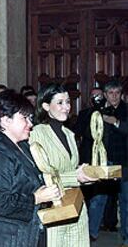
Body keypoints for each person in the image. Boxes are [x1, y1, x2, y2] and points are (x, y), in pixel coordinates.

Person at [0, 90, 61, 247]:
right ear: (5, 120)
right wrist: (36, 198)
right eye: (24, 118)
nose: (30, 124)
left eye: (30, 118)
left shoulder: (22, 146)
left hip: (26, 234)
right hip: (5, 239)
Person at [29, 83, 96, 247]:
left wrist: (86, 174)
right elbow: (41, 175)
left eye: (68, 102)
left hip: (76, 205)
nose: (66, 107)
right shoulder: (36, 133)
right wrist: (76, 177)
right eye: (60, 102)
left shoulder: (69, 134)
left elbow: (71, 168)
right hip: (54, 207)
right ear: (45, 106)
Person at [87, 79, 128, 245]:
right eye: (110, 93)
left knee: (126, 200)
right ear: (105, 95)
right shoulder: (98, 111)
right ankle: (90, 234)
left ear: (121, 94)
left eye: (117, 93)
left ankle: (126, 235)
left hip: (124, 161)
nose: (114, 96)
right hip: (105, 162)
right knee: (98, 199)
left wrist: (115, 122)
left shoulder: (126, 110)